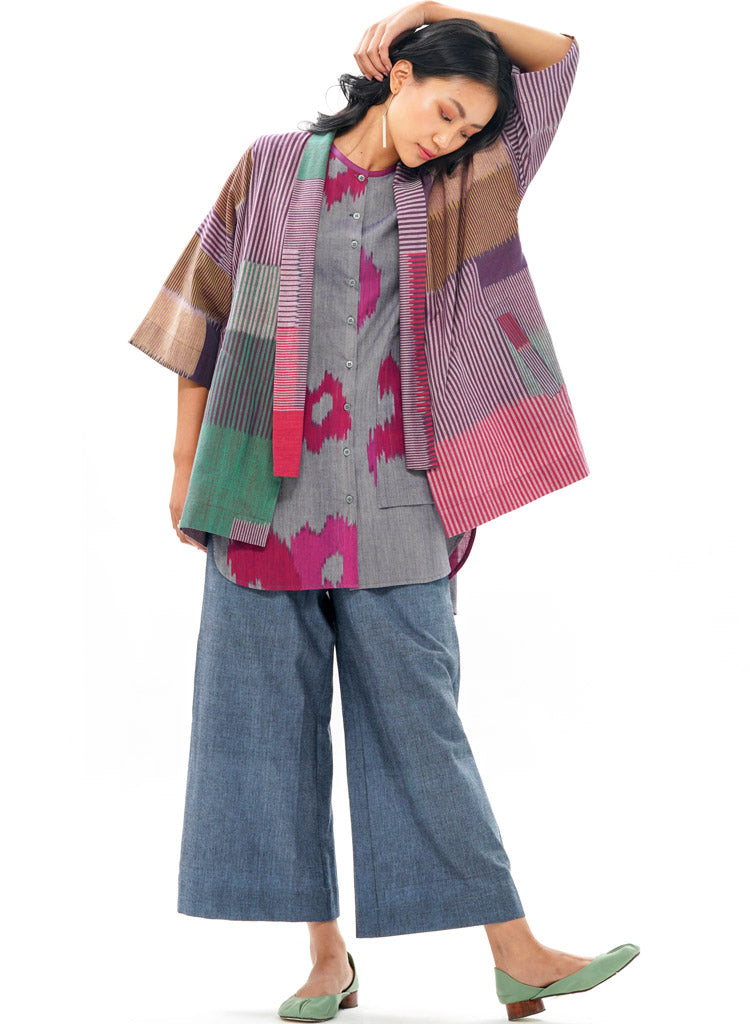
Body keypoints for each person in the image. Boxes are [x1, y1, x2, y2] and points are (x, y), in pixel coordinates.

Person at [128, 4, 640, 1021]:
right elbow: (207, 308)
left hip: (400, 500)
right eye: (445, 111)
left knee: (424, 725)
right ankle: (328, 960)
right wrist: (184, 465)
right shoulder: (272, 165)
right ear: (397, 78)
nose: (450, 137)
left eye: (469, 128)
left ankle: (516, 950)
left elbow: (560, 63)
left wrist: (435, 7)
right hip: (261, 498)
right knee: (272, 731)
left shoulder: (461, 190)